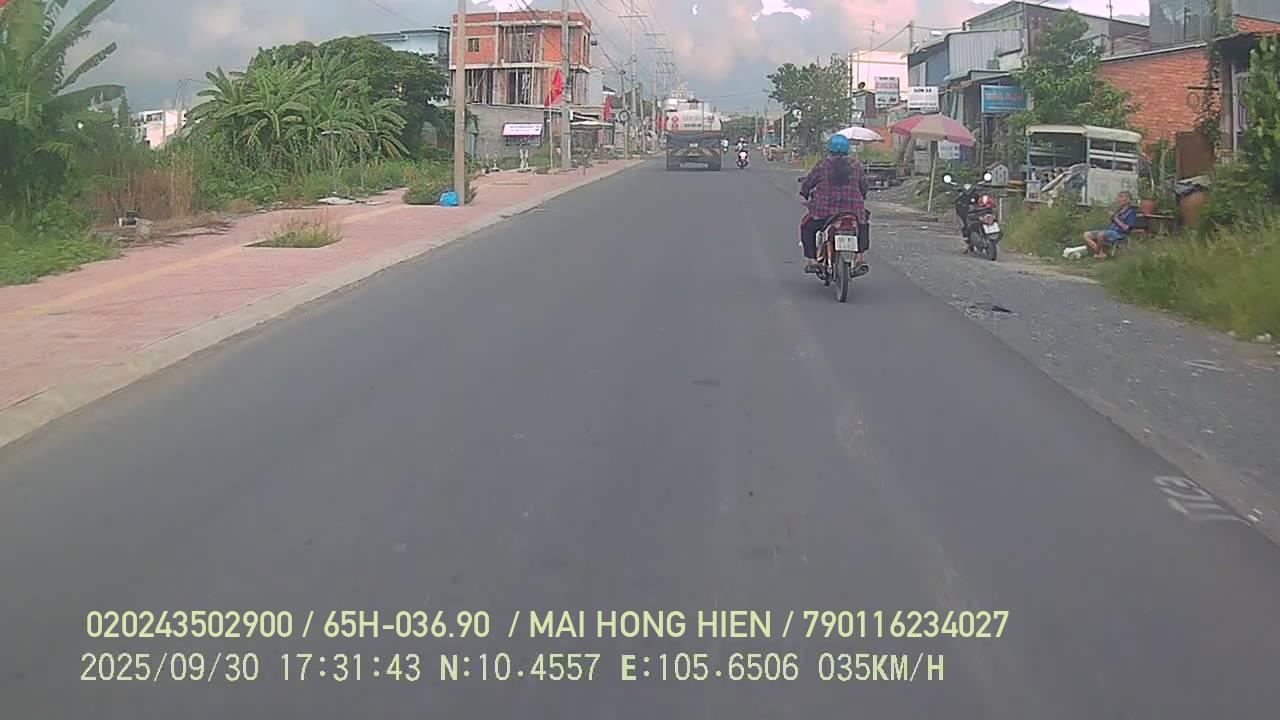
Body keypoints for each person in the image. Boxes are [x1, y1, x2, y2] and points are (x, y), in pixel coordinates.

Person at [798, 134, 869, 273]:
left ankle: (812, 260)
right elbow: (864, 186)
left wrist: (804, 192)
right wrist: (862, 195)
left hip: (825, 212)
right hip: (853, 211)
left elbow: (809, 182)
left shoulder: (823, 165)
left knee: (806, 226)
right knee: (863, 225)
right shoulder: (856, 165)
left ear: (829, 149)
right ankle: (859, 257)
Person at [1083, 191, 1137, 258]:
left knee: (1101, 235)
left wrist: (1115, 218)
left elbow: (1126, 228)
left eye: (1121, 197)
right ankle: (1101, 253)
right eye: (1118, 197)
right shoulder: (1119, 210)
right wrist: (1111, 217)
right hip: (1110, 231)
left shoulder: (1131, 212)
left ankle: (1098, 254)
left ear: (1128, 200)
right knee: (1086, 234)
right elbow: (1114, 222)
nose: (1118, 199)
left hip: (1120, 233)